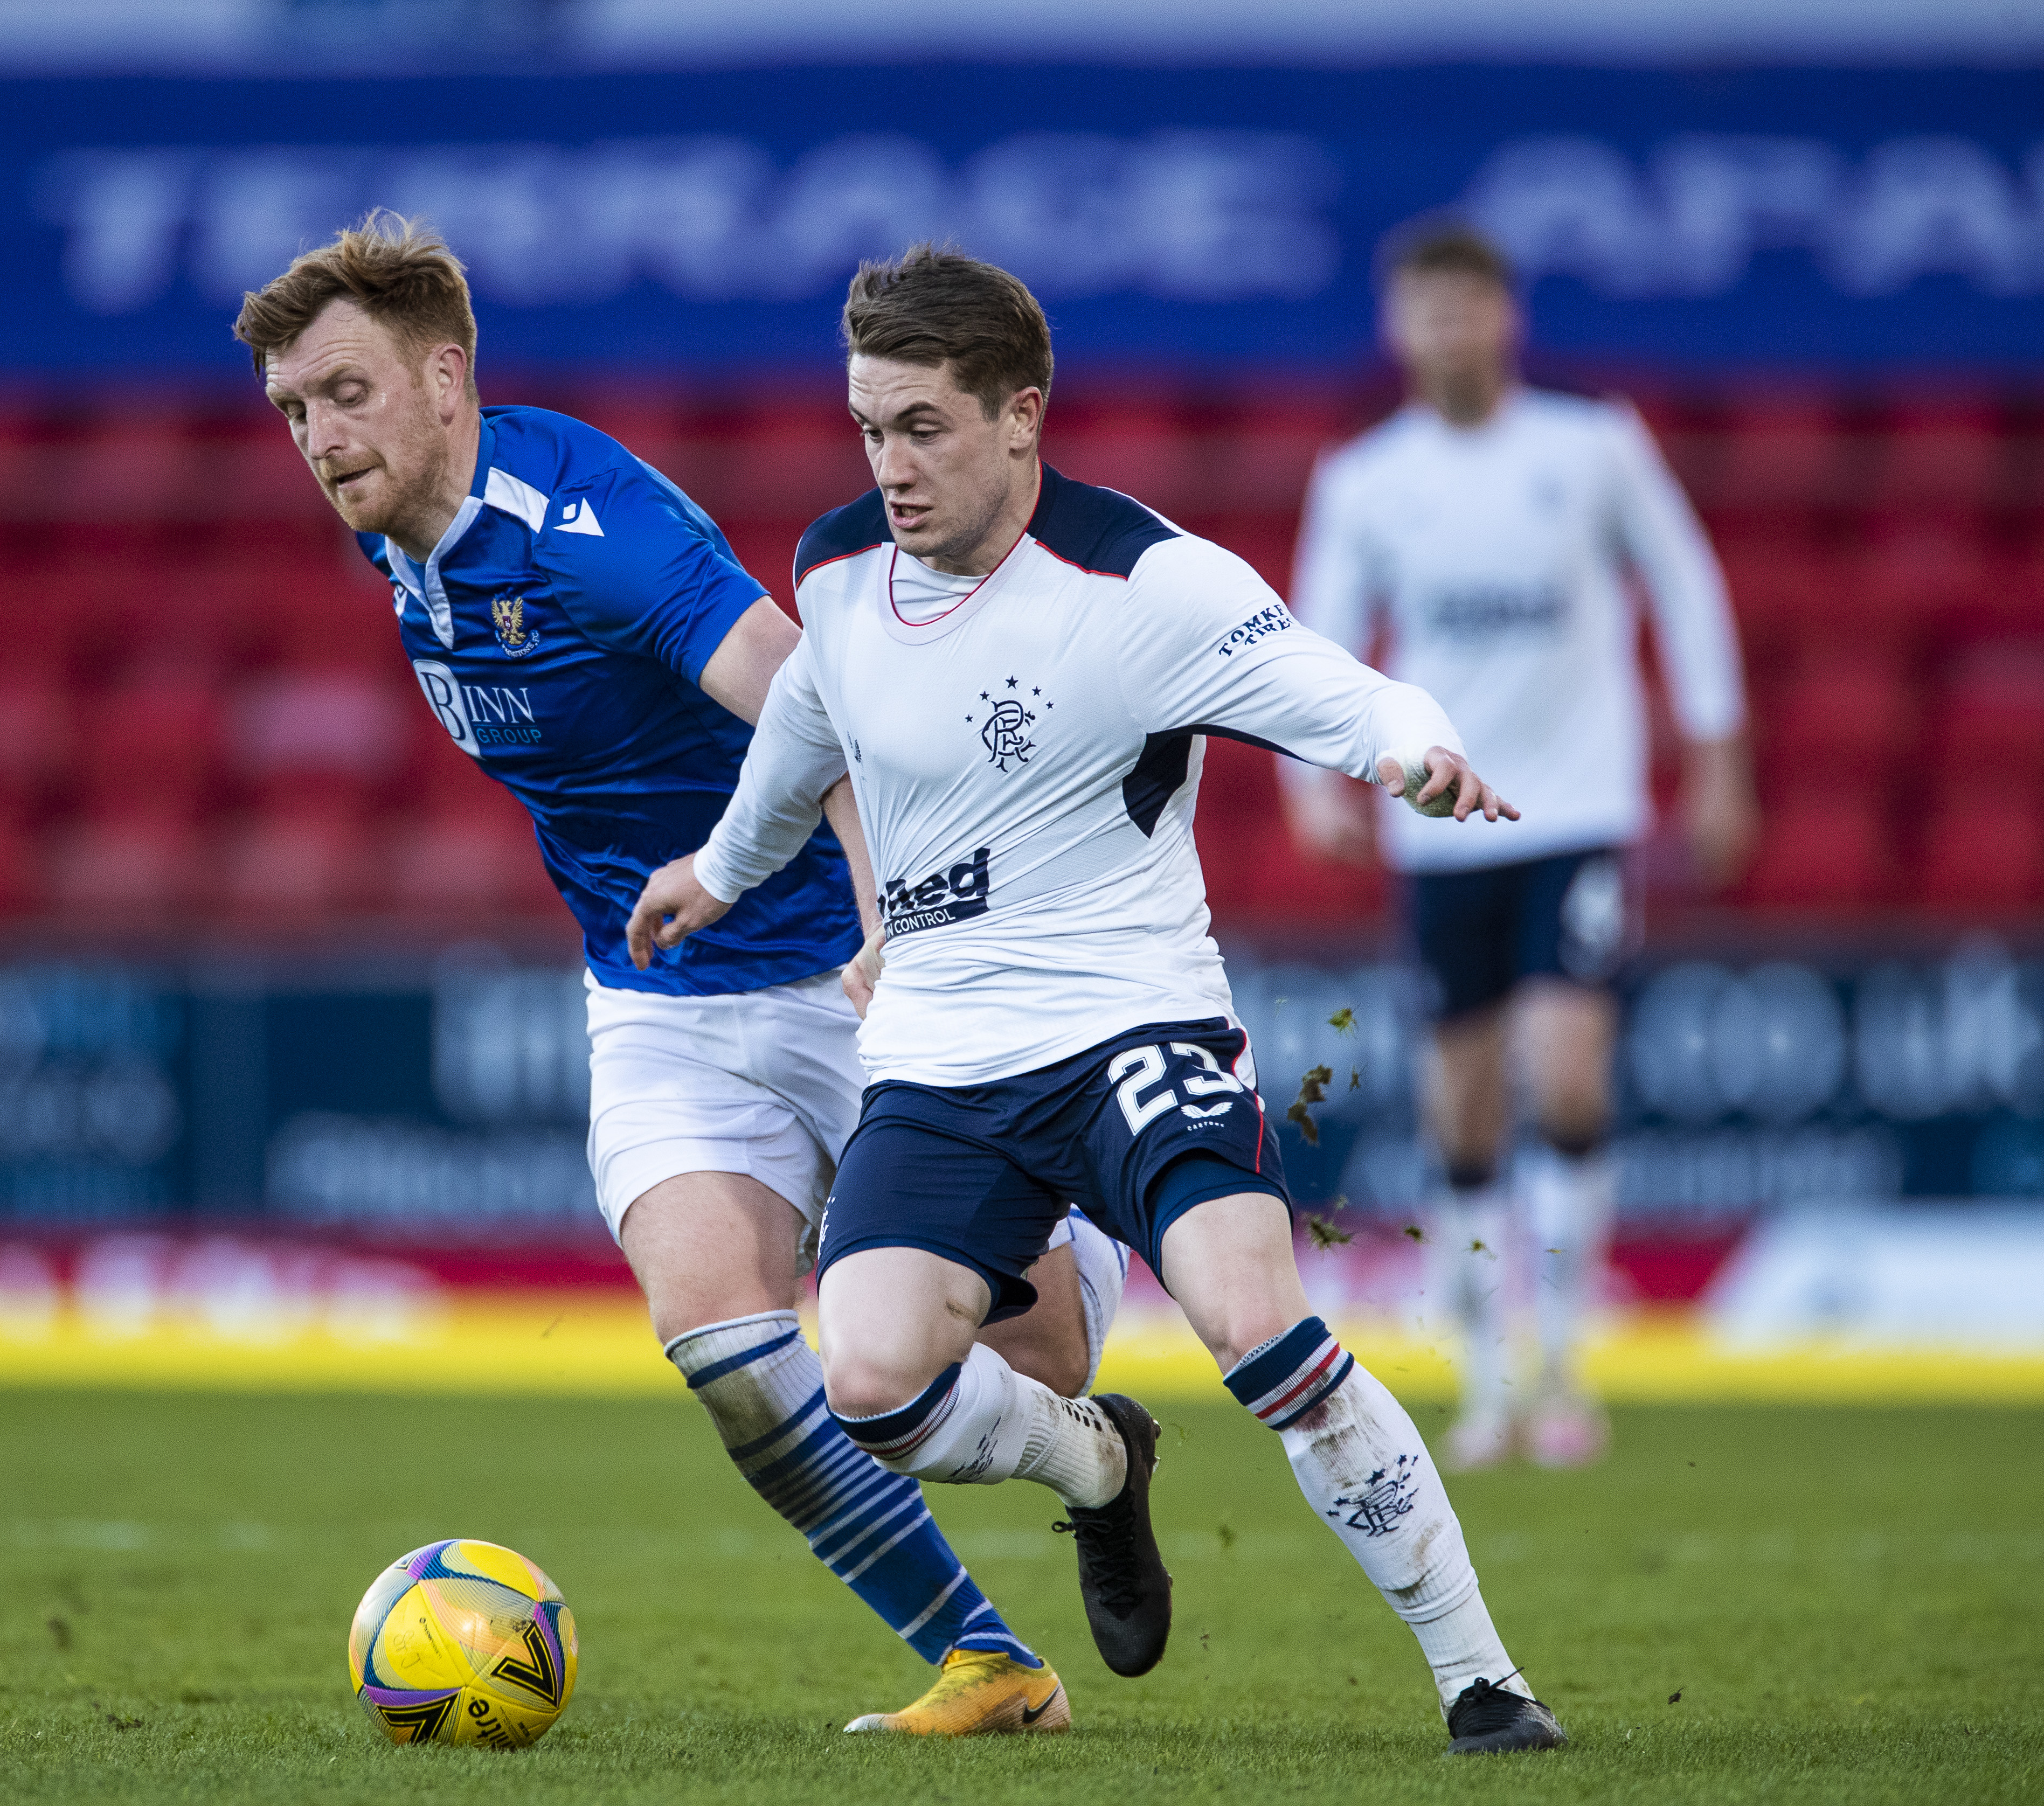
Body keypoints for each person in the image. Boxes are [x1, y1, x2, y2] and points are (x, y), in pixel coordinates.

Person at [628, 244, 1567, 1757]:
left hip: (1134, 1024)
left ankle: (1480, 1681)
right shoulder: (839, 577)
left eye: (922, 427)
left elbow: (1344, 691)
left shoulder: (1149, 583)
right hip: (939, 1055)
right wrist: (721, 874)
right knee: (861, 1379)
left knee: (1257, 1330)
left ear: (1019, 414)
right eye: (868, 429)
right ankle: (1094, 1471)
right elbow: (805, 737)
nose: (890, 468)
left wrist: (1415, 754)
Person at [233, 213, 1130, 1737]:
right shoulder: (408, 545)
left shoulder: (584, 524)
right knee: (725, 1350)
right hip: (654, 1008)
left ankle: (1103, 1452)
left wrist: (887, 934)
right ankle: (991, 1668)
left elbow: (811, 699)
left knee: (1038, 1349)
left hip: (841, 983)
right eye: (295, 413)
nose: (321, 439)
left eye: (346, 393)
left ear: (445, 378)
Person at [1286, 221, 1755, 1471]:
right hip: (1439, 825)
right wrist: (1310, 780)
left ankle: (1563, 1362)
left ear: (1505, 318)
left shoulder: (1592, 447)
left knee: (1572, 1072)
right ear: (1397, 330)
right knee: (1463, 1104)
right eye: (1423, 311)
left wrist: (1717, 759)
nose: (1447, 331)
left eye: (1465, 307)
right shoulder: (1366, 477)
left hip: (1578, 810)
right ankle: (1485, 1379)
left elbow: (1687, 586)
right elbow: (1315, 642)